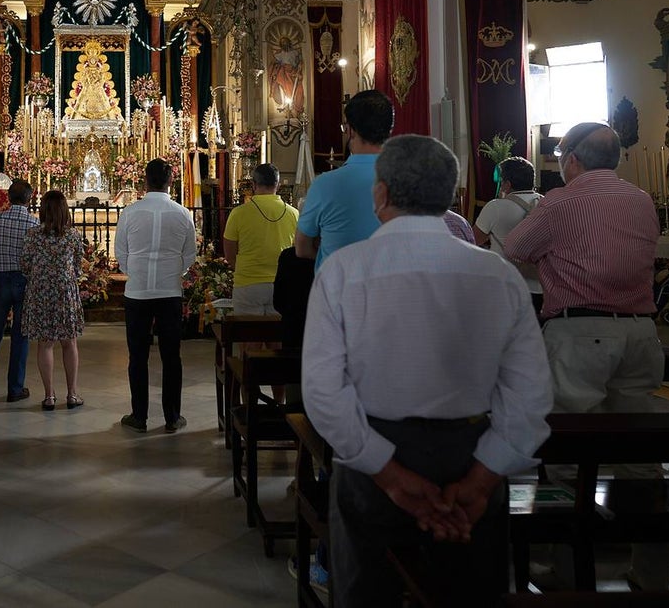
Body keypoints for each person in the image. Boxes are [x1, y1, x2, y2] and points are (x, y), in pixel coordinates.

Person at [302, 134, 552, 607]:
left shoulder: (344, 271)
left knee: (367, 593)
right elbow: (531, 396)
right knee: (470, 592)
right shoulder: (500, 277)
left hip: (373, 455)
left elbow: (322, 393)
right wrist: (481, 480)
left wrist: (390, 476)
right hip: (472, 451)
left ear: (381, 193)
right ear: (452, 196)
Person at [504, 122, 667, 591]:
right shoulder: (640, 200)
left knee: (566, 455)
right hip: (640, 332)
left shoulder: (562, 201)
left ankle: (569, 570)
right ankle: (650, 572)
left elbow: (516, 248)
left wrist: (556, 258)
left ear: (571, 158)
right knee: (641, 455)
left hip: (580, 331)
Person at [114, 159, 197, 433]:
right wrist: (173, 272)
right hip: (170, 291)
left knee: (137, 355)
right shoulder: (183, 213)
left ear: (144, 181)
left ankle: (139, 416)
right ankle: (173, 417)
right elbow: (189, 256)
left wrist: (136, 272)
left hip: (137, 292)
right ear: (170, 181)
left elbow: (121, 255)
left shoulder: (129, 212)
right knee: (171, 355)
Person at [223, 163, 299, 402]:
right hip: (282, 288)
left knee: (250, 349)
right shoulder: (293, 213)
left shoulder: (239, 213)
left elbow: (230, 254)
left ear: (253, 185)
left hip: (248, 285)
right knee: (278, 348)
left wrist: (244, 270)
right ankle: (279, 406)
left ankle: (250, 410)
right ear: (278, 184)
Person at [294, 89, 394, 270]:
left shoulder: (325, 184)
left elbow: (301, 249)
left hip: (337, 291)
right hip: (394, 291)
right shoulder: (408, 180)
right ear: (389, 129)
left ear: (350, 130)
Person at [20, 190, 86, 411]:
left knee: (45, 343)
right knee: (69, 343)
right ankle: (72, 394)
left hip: (40, 292)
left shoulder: (32, 235)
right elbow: (77, 266)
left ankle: (49, 396)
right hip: (65, 292)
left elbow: (25, 264)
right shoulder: (72, 236)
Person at [0, 180, 39, 403]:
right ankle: (15, 389)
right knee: (20, 336)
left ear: (8, 197)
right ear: (29, 199)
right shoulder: (33, 224)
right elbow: (34, 257)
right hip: (23, 280)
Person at [473, 156, 543, 313]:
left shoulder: (495, 207)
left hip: (506, 285)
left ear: (507, 184)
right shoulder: (546, 203)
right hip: (540, 286)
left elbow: (473, 240)